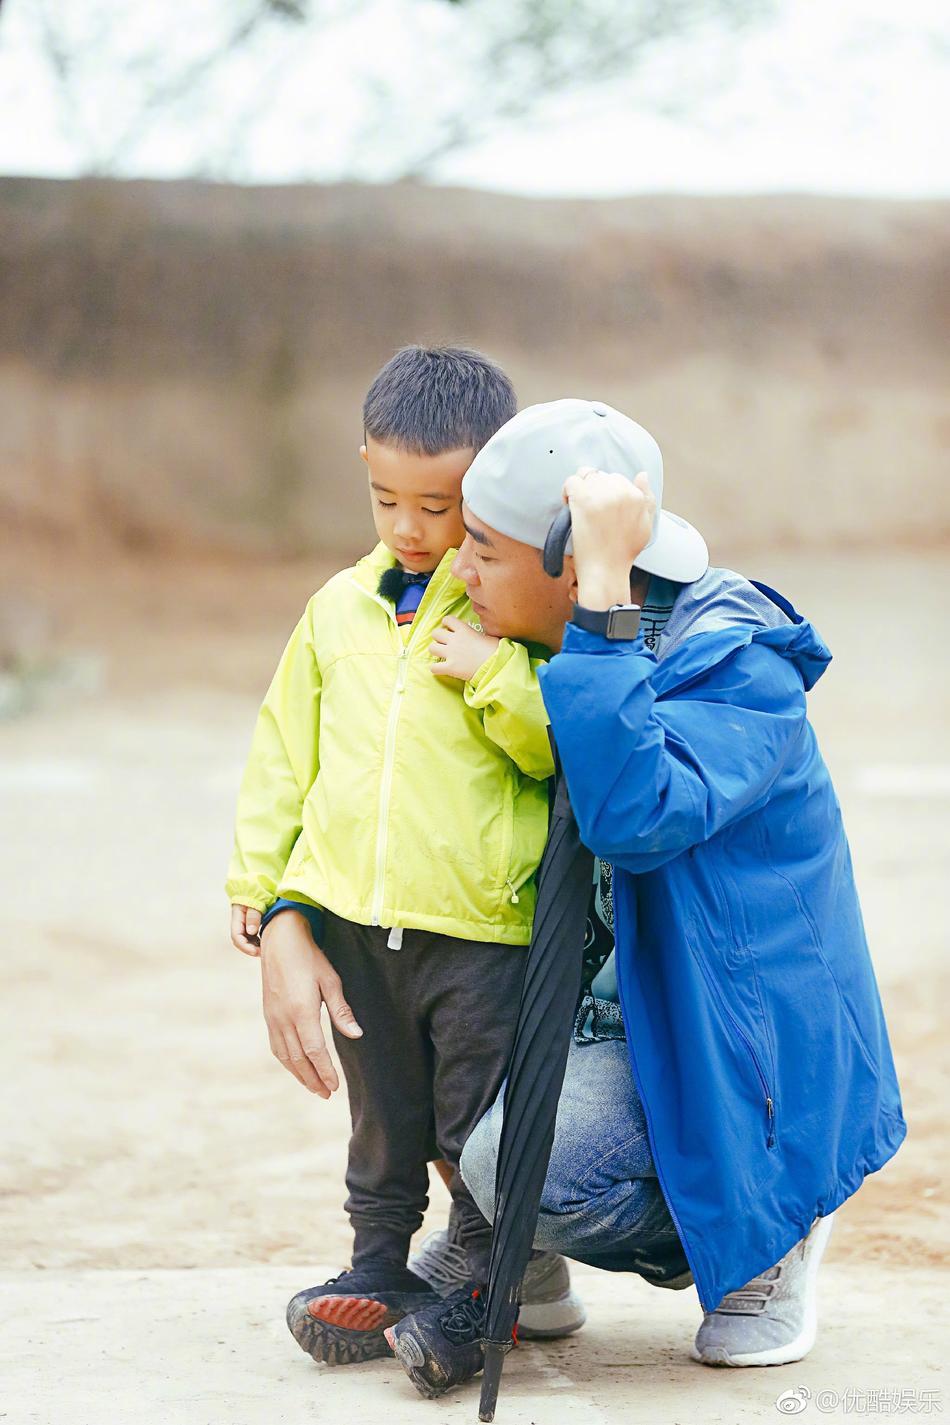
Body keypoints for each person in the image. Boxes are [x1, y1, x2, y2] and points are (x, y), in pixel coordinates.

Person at [384, 398, 906, 1397]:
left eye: (484, 553)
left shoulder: (734, 665)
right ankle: (519, 1254)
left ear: (569, 565)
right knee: (413, 1031)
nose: (457, 572)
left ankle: (770, 1225)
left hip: (735, 1056)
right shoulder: (549, 644)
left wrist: (601, 601)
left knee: (517, 1163)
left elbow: (633, 813)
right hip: (603, 1010)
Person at [225, 349, 585, 1368]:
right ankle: (375, 1266)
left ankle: (481, 1287)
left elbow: (555, 749)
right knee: (384, 1113)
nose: (411, 530)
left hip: (477, 929)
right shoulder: (337, 606)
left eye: (441, 508)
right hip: (354, 921)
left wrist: (491, 676)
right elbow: (282, 750)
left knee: (473, 1126)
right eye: (388, 499)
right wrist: (260, 882)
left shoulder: (506, 613)